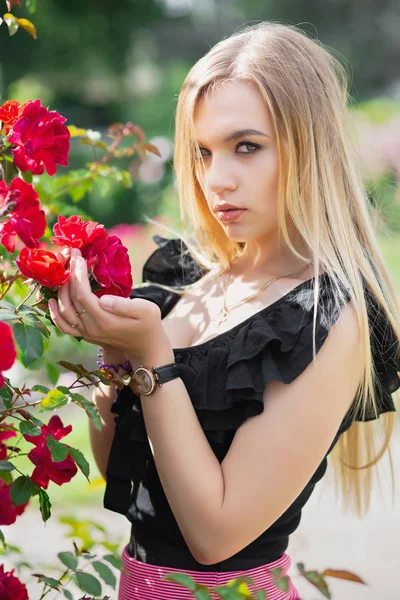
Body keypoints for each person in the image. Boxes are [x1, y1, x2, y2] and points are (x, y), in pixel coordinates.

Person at [48, 21, 399, 600]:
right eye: (202, 152)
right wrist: (115, 351)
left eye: (247, 147)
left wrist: (154, 360)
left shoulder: (327, 315)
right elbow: (121, 472)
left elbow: (215, 537)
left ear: (310, 144)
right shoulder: (185, 279)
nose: (217, 180)